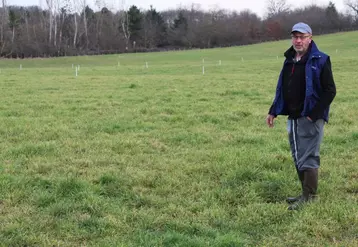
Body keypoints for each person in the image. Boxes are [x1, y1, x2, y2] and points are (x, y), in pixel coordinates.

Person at [266, 22, 336, 210]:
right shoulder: (289, 60)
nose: (298, 40)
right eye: (295, 37)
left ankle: (310, 196)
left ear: (310, 38)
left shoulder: (320, 60)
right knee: (298, 154)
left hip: (310, 117)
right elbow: (282, 87)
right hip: (294, 116)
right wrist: (273, 110)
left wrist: (313, 115)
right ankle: (304, 193)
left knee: (308, 156)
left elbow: (330, 91)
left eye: (302, 37)